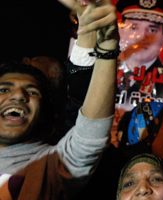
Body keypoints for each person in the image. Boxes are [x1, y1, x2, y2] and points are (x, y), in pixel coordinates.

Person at [0, 0, 118, 199]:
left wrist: (107, 46)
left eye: (32, 92)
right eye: (4, 89)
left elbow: (90, 134)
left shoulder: (52, 164)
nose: (19, 96)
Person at [67, 0, 163, 145]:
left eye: (152, 30)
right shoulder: (96, 74)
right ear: (120, 30)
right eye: (134, 27)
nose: (142, 37)